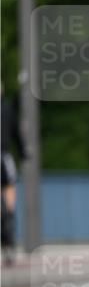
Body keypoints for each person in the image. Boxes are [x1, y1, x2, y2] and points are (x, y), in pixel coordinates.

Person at [1, 85, 28, 265]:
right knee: (10, 199)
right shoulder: (8, 109)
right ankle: (9, 238)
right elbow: (17, 135)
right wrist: (24, 153)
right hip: (4, 157)